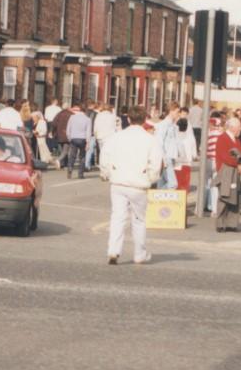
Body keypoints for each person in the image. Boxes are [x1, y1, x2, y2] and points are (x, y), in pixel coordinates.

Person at [100, 106, 162, 265]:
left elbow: (105, 155)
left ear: (128, 119)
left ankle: (113, 250)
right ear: (144, 120)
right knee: (139, 219)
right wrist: (151, 178)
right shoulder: (150, 139)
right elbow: (156, 164)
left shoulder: (116, 137)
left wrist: (106, 172)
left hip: (118, 181)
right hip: (138, 184)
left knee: (118, 217)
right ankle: (139, 254)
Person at [213, 117, 241, 232]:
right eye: (239, 127)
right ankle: (220, 224)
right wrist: (239, 163)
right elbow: (225, 157)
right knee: (224, 197)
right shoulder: (222, 138)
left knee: (235, 197)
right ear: (232, 128)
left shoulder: (236, 139)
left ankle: (232, 224)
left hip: (235, 171)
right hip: (225, 171)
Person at [153, 102, 182, 189]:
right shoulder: (164, 124)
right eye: (177, 112)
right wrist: (164, 159)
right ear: (171, 111)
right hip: (166, 158)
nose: (179, 114)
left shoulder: (173, 125)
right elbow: (159, 142)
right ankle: (154, 197)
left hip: (170, 157)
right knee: (172, 184)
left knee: (161, 183)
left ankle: (157, 200)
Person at [64, 104, 92, 179]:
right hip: (83, 139)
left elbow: (68, 129)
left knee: (72, 155)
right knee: (82, 156)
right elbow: (88, 132)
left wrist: (69, 137)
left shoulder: (72, 117)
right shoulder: (87, 119)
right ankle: (80, 173)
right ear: (85, 111)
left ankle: (70, 170)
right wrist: (88, 142)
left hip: (74, 138)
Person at [53, 103, 73, 168]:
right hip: (67, 134)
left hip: (59, 134)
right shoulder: (71, 114)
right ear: (68, 108)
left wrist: (54, 132)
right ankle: (58, 160)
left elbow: (54, 123)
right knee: (65, 151)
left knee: (62, 150)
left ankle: (63, 164)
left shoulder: (58, 114)